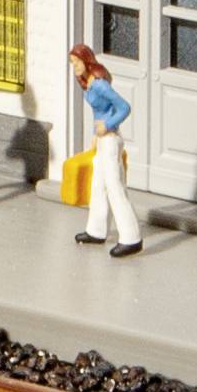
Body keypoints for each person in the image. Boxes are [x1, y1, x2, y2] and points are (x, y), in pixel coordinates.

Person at [66, 44, 141, 258]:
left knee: (115, 187)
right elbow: (100, 111)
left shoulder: (99, 85)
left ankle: (131, 237)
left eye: (76, 63)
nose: (74, 68)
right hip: (101, 141)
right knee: (98, 185)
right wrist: (95, 135)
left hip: (110, 140)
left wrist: (107, 125)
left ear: (86, 61)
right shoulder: (88, 84)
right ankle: (96, 230)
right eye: (72, 64)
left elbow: (124, 107)